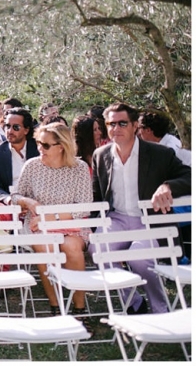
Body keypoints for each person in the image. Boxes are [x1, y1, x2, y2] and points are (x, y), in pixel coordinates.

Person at [89, 102, 191, 314]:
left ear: (135, 125)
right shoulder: (101, 155)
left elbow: (189, 176)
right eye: (111, 124)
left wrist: (168, 186)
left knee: (139, 257)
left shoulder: (159, 153)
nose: (116, 128)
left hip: (149, 220)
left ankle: (160, 307)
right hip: (116, 219)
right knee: (98, 250)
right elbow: (97, 196)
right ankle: (134, 303)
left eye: (122, 123)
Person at [10, 123, 93, 316]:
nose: (40, 148)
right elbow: (16, 196)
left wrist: (51, 217)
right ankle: (56, 306)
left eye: (46, 145)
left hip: (70, 223)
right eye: (39, 143)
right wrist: (27, 201)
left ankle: (79, 308)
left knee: (72, 248)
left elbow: (84, 206)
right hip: (38, 225)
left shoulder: (79, 168)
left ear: (61, 146)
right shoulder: (32, 166)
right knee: (45, 247)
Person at [0, 107, 39, 196]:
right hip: (12, 201)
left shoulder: (39, 148)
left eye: (16, 127)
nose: (10, 131)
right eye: (7, 126)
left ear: (26, 130)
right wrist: (8, 200)